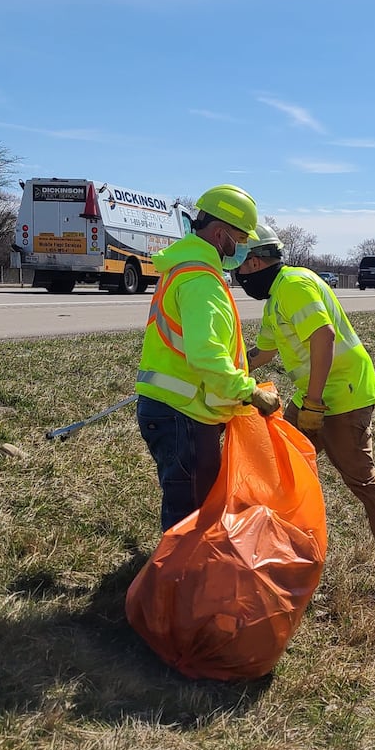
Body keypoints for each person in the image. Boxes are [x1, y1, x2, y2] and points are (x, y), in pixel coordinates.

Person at [231, 224, 375, 609]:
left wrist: (316, 404)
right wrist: (230, 370)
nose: (239, 275)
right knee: (277, 467)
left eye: (240, 266)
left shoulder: (294, 286)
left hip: (343, 396)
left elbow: (324, 336)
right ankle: (265, 557)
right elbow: (264, 352)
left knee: (361, 478)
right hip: (313, 396)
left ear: (253, 262)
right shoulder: (275, 299)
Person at [135, 184, 281, 532]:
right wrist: (250, 392)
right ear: (220, 234)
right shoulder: (202, 281)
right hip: (183, 414)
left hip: (173, 408)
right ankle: (178, 581)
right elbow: (208, 356)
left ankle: (180, 574)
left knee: (186, 501)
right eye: (241, 238)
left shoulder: (183, 268)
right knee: (190, 510)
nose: (245, 248)